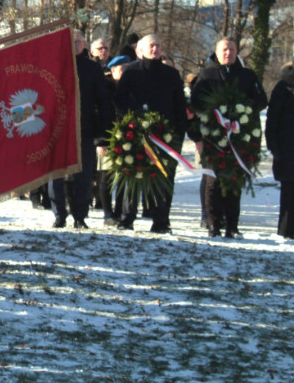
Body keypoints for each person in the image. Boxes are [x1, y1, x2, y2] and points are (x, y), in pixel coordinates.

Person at [189, 39, 267, 238]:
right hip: (213, 138)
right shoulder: (206, 75)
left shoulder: (247, 75)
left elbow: (260, 100)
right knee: (213, 182)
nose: (228, 53)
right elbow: (196, 103)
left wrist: (241, 111)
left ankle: (232, 225)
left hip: (239, 137)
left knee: (234, 181)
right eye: (224, 49)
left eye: (232, 50)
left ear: (236, 52)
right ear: (216, 52)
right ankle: (213, 224)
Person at [113, 34, 187, 234]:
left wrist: (179, 134)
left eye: (158, 45)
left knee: (164, 178)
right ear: (141, 50)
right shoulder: (131, 72)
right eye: (151, 46)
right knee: (133, 176)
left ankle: (161, 220)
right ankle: (127, 218)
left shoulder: (171, 74)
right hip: (136, 134)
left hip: (165, 136)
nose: (155, 49)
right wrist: (133, 119)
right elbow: (119, 101)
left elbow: (179, 105)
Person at [50, 31, 112, 229]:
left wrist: (103, 132)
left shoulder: (93, 69)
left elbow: (103, 101)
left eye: (76, 42)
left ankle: (80, 216)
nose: (73, 45)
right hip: (57, 129)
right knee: (56, 175)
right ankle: (59, 215)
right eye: (68, 42)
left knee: (83, 176)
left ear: (84, 45)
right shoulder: (53, 64)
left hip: (83, 128)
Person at [97, 55, 130, 225]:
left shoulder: (131, 88)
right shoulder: (105, 88)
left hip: (128, 138)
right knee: (107, 176)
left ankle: (119, 212)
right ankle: (107, 214)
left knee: (124, 176)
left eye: (127, 68)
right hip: (107, 138)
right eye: (121, 69)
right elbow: (98, 114)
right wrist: (100, 141)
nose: (125, 72)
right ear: (113, 70)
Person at [266, 62, 294, 238]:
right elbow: (273, 118)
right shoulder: (284, 87)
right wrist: (273, 145)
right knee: (289, 192)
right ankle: (287, 231)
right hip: (288, 149)